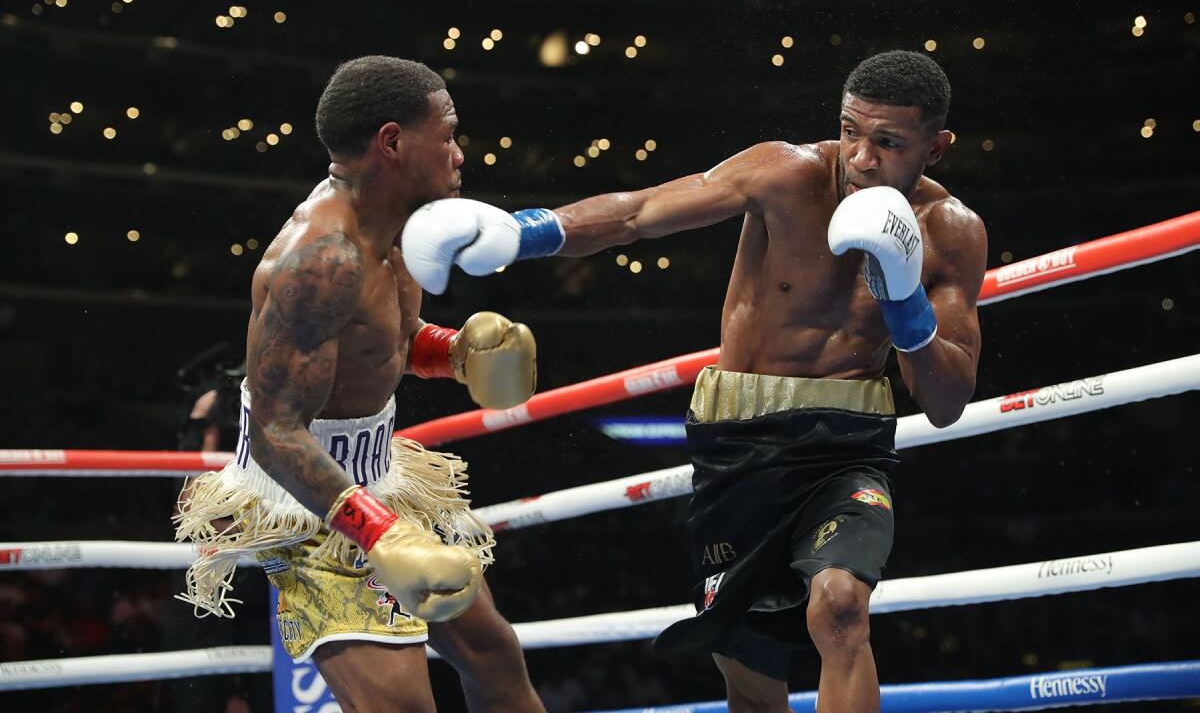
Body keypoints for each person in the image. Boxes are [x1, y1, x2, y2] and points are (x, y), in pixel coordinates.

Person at [401, 50, 987, 712]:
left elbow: (945, 403)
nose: (860, 158)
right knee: (748, 667)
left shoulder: (952, 233)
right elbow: (640, 211)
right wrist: (523, 233)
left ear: (936, 147)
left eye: (888, 142)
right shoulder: (786, 173)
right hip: (737, 445)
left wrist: (902, 300)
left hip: (846, 447)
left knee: (842, 606)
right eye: (851, 131)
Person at [175, 56, 546, 712]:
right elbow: (272, 434)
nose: (460, 155)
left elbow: (379, 339)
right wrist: (377, 530)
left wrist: (454, 353)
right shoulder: (322, 258)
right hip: (305, 499)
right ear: (394, 142)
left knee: (494, 657)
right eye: (449, 134)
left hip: (377, 476)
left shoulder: (406, 223)